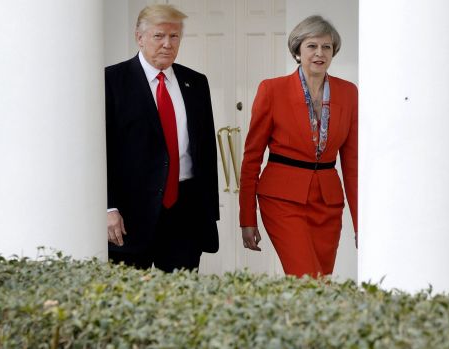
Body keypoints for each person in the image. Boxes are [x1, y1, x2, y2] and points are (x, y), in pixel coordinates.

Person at [239, 15, 358, 277]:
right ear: (297, 51)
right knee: (307, 278)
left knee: (321, 281)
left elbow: (352, 165)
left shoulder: (348, 92)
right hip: (282, 200)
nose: (319, 53)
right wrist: (247, 218)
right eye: (312, 46)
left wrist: (361, 224)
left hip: (328, 203)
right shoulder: (272, 90)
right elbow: (252, 158)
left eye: (326, 47)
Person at [105, 5, 219, 272]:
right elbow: (102, 150)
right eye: (159, 36)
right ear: (139, 37)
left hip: (185, 211)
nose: (167, 44)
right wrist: (108, 207)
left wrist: (209, 213)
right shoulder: (112, 80)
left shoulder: (196, 82)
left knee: (182, 301)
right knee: (128, 301)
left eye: (174, 36)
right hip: (130, 214)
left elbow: (206, 151)